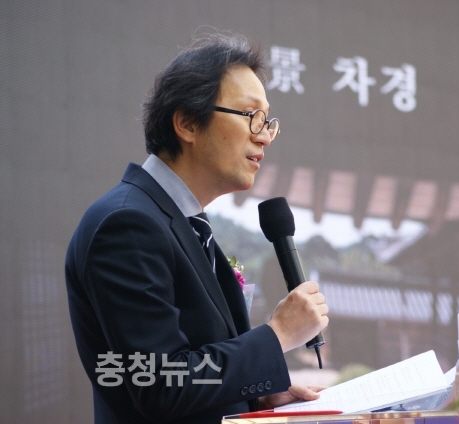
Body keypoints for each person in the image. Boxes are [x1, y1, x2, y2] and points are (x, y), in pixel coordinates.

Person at [65, 32, 329, 423]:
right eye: (251, 116)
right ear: (188, 122)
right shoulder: (127, 224)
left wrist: (254, 396)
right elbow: (160, 383)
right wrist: (278, 335)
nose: (264, 136)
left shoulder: (185, 223)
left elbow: (190, 371)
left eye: (268, 122)